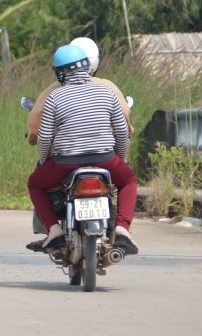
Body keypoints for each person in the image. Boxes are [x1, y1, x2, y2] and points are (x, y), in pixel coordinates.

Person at [27, 44, 139, 255]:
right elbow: (122, 133)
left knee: (35, 183)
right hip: (105, 159)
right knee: (129, 181)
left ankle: (54, 231)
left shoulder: (55, 97)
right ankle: (122, 230)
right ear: (87, 67)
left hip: (65, 163)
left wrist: (43, 161)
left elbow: (44, 137)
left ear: (60, 73)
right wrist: (119, 160)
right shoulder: (107, 93)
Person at [26, 37, 132, 146]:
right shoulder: (107, 86)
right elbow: (124, 115)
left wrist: (33, 137)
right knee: (121, 162)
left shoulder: (54, 90)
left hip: (65, 156)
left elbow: (36, 121)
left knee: (44, 162)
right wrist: (128, 131)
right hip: (104, 153)